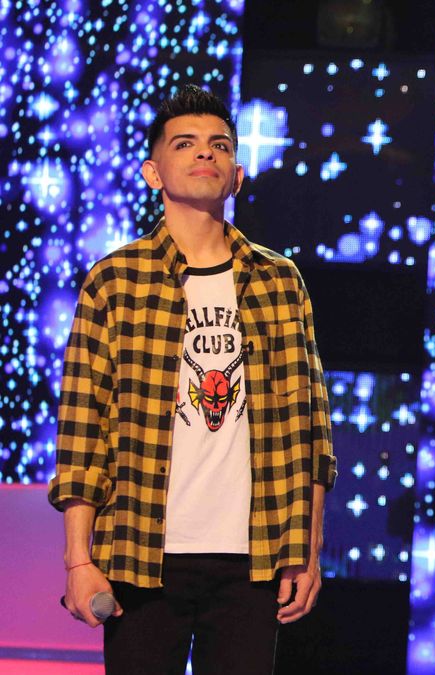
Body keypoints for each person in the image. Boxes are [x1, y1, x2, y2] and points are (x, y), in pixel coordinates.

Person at [49, 85, 336, 674]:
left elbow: (312, 432)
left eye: (219, 145)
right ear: (154, 172)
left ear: (236, 174)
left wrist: (307, 552)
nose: (205, 153)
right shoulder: (114, 281)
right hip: (140, 553)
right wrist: (79, 560)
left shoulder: (280, 281)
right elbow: (82, 430)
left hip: (253, 559)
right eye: (186, 143)